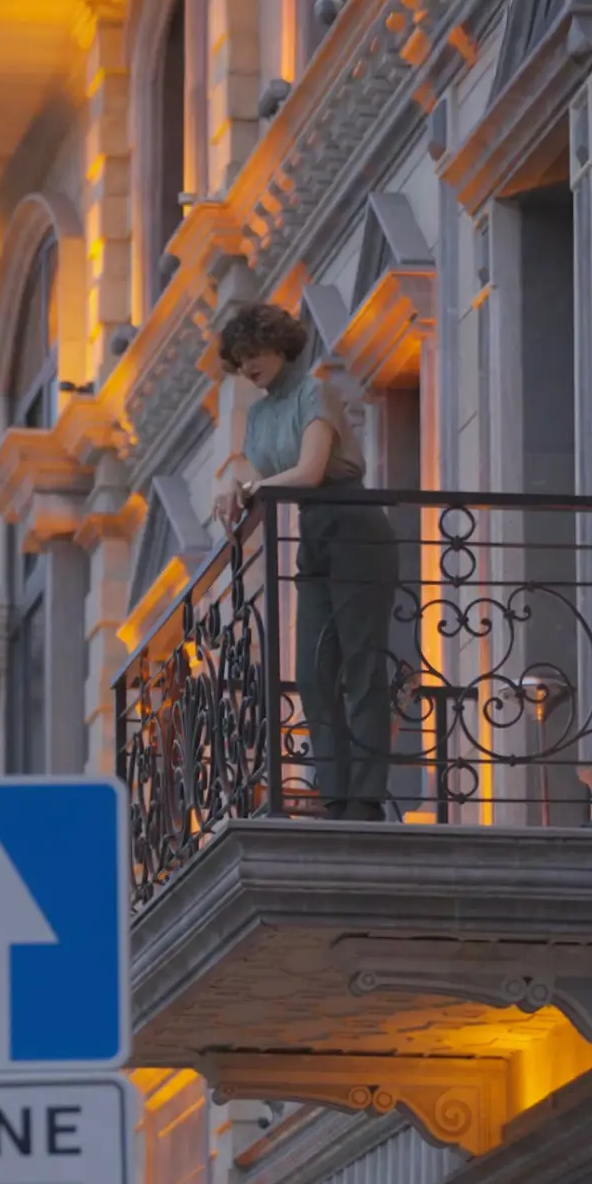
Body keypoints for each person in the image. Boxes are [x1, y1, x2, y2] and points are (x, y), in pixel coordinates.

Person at [208, 302, 402, 820]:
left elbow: (311, 470)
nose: (248, 366)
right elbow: (258, 475)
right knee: (315, 671)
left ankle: (364, 797)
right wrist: (234, 485)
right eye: (239, 359)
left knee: (360, 663)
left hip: (353, 521)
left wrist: (248, 487)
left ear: (280, 345)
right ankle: (333, 792)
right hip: (312, 532)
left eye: (255, 353)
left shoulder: (316, 391)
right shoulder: (259, 416)